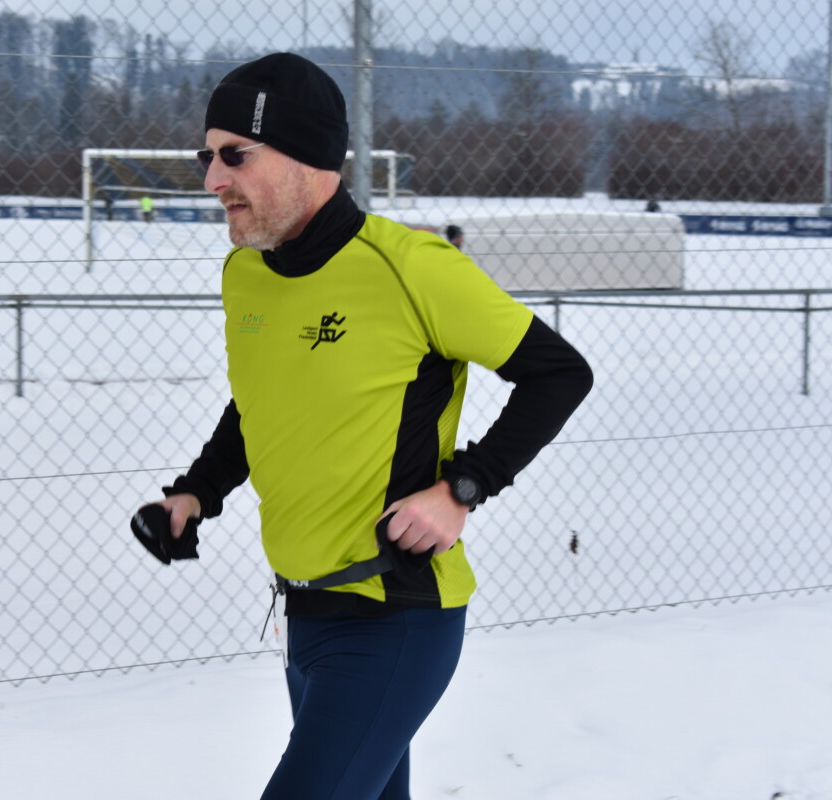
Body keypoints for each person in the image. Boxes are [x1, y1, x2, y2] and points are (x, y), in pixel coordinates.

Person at [131, 53, 593, 800]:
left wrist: (463, 488)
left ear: (306, 156)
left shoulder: (411, 267)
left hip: (393, 617)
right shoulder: (246, 273)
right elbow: (261, 403)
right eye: (205, 157)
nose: (212, 179)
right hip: (305, 615)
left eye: (234, 155)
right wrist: (196, 493)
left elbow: (560, 373)